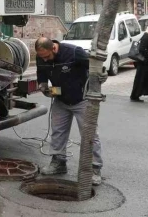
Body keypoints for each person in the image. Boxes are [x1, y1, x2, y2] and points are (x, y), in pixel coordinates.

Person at [35, 37, 103, 186]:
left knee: (89, 134)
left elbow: (94, 67)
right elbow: (41, 71)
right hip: (61, 99)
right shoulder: (41, 56)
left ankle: (94, 169)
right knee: (58, 132)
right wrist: (43, 84)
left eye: (47, 56)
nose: (45, 60)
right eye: (42, 57)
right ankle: (59, 163)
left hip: (82, 99)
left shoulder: (74, 52)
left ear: (54, 48)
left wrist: (101, 75)